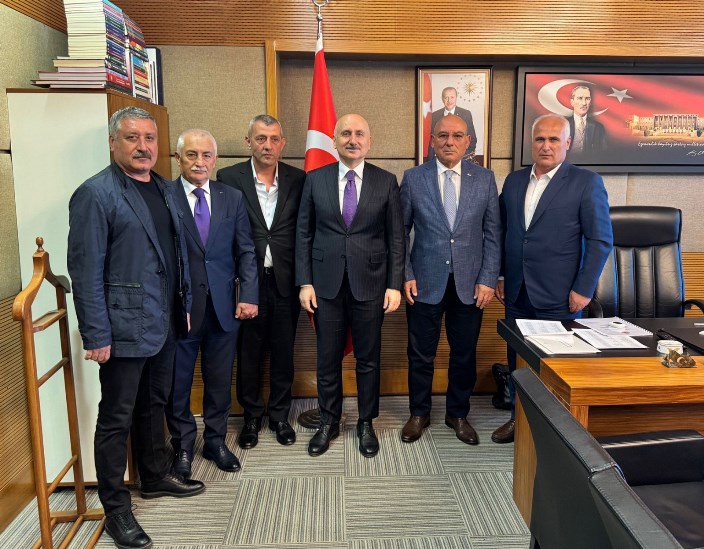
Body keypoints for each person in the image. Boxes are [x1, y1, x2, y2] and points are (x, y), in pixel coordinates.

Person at [67, 107, 205, 549]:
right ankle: (115, 509)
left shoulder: (164, 188)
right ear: (113, 142)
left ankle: (154, 474)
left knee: (154, 404)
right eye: (132, 137)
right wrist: (96, 334)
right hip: (123, 326)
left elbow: (178, 255)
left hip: (164, 321)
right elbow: (85, 271)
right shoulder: (96, 194)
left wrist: (184, 305)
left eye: (149, 137)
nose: (143, 146)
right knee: (116, 417)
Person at [492, 113, 613, 444]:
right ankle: (519, 419)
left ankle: (553, 434)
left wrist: (584, 289)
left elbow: (601, 239)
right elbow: (504, 232)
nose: (546, 146)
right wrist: (501, 274)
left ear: (567, 143)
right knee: (519, 360)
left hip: (561, 294)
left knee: (556, 365)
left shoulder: (586, 183)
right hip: (517, 290)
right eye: (540, 139)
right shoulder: (514, 181)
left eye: (553, 139)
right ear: (531, 143)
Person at [296, 113, 405, 458]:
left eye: (359, 134)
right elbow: (303, 234)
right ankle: (329, 420)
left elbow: (396, 238)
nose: (352, 139)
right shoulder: (315, 180)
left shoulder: (386, 182)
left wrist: (394, 284)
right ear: (334, 141)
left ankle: (366, 422)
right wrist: (305, 281)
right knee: (327, 359)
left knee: (368, 359)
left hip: (371, 285)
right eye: (345, 133)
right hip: (325, 286)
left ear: (369, 142)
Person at [399, 114, 501, 445]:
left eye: (457, 135)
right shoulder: (413, 178)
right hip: (424, 282)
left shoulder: (484, 179)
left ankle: (457, 414)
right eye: (442, 135)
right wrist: (406, 274)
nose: (449, 141)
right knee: (420, 354)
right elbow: (399, 233)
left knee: (464, 354)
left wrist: (488, 278)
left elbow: (493, 234)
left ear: (468, 141)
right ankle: (419, 413)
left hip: (470, 285)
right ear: (432, 140)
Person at [166, 129, 258, 477]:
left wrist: (248, 295)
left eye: (206, 155)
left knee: (219, 382)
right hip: (182, 311)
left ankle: (216, 441)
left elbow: (246, 250)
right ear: (178, 158)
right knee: (178, 384)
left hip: (223, 309)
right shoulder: (165, 196)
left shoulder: (231, 197)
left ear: (215, 160)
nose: (199, 162)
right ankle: (183, 446)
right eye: (191, 154)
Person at [217, 115, 305, 449]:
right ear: (249, 142)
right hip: (246, 283)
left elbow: (304, 231)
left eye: (274, 139)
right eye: (260, 138)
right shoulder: (228, 178)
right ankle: (251, 417)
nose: (267, 145)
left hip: (286, 281)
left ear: (282, 143)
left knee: (284, 352)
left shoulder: (299, 179)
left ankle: (280, 416)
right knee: (249, 353)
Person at [427, 86, 477, 161]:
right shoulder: (435, 115)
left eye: (452, 97)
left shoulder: (465, 114)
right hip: (440, 159)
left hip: (461, 159)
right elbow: (433, 141)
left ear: (456, 98)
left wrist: (462, 157)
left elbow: (472, 139)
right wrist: (430, 161)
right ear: (442, 99)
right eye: (446, 98)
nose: (449, 101)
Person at [567, 85, 607, 160]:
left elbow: (603, 155)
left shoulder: (598, 128)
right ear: (572, 102)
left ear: (590, 102)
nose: (584, 103)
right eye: (580, 98)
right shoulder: (563, 125)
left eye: (587, 99)